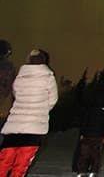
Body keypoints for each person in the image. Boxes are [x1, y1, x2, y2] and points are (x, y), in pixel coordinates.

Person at [0, 49, 58, 177]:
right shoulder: (48, 77)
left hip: (14, 125)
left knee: (5, 160)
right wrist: (41, 110)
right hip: (34, 128)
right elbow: (53, 99)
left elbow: (16, 94)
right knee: (22, 163)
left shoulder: (20, 76)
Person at [76, 90, 104, 176]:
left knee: (84, 154)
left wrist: (82, 133)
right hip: (98, 135)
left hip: (88, 135)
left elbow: (84, 121)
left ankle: (82, 171)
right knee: (96, 155)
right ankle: (93, 171)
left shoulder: (89, 107)